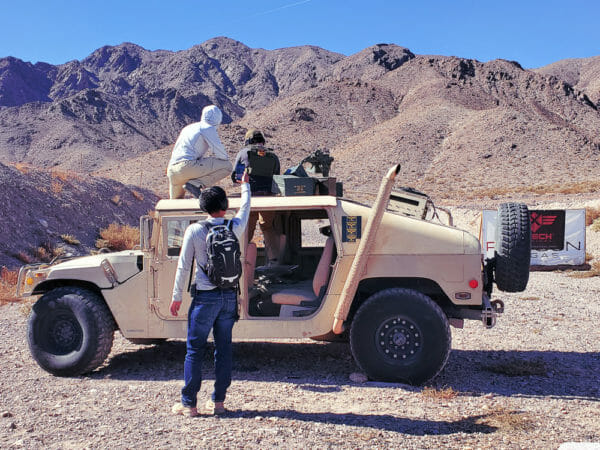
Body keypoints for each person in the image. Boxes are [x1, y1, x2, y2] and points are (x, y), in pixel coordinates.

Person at [170, 170, 251, 417]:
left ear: (203, 207)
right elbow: (246, 208)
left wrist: (177, 297)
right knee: (223, 348)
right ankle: (218, 402)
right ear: (225, 206)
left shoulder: (195, 231)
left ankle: (189, 404)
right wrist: (245, 186)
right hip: (229, 297)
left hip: (205, 298)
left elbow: (184, 265)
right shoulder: (234, 226)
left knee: (194, 350)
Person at [231, 129, 281, 265]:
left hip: (250, 197)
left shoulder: (243, 153)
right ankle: (274, 260)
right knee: (268, 227)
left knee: (247, 228)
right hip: (268, 197)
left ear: (248, 141)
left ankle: (241, 259)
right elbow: (277, 176)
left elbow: (235, 176)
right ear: (262, 140)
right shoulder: (272, 155)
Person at [167, 104, 232, 199]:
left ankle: (192, 185)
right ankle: (196, 184)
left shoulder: (188, 128)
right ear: (218, 118)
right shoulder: (208, 128)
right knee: (227, 166)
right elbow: (219, 152)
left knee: (175, 206)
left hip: (172, 171)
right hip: (187, 167)